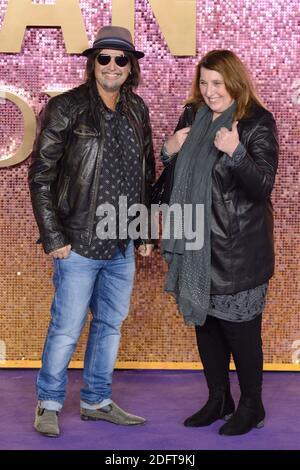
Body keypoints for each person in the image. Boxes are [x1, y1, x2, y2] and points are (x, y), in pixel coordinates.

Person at [28, 25, 155, 437]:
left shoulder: (137, 109)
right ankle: (48, 403)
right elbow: (41, 175)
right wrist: (54, 237)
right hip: (78, 242)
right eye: (105, 57)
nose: (113, 66)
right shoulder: (66, 107)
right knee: (66, 328)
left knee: (109, 326)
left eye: (122, 59)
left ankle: (97, 400)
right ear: (93, 62)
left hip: (121, 243)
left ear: (130, 66)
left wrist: (144, 230)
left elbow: (146, 173)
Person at [161, 50, 278, 436]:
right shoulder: (192, 117)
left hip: (235, 251)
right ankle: (218, 399)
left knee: (241, 332)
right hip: (194, 246)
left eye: (218, 83)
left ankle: (251, 405)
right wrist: (168, 150)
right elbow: (176, 175)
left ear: (234, 82)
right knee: (206, 326)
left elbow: (262, 186)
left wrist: (237, 152)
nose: (210, 92)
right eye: (204, 83)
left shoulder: (256, 122)